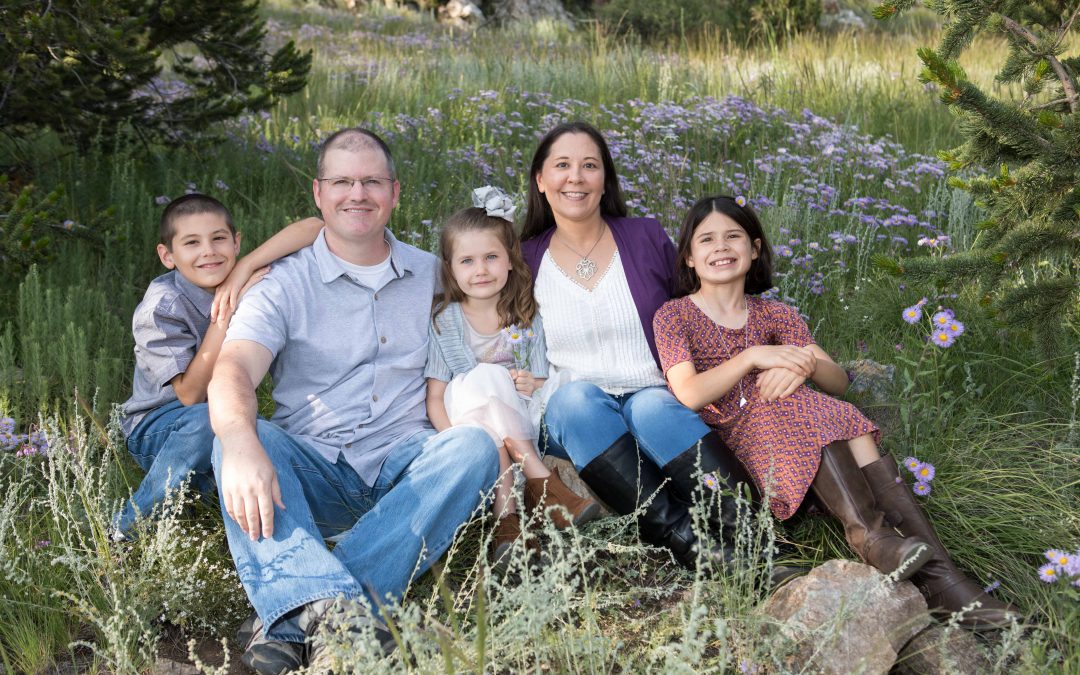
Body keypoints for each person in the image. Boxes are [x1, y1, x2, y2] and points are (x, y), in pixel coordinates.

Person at [208, 127, 499, 673]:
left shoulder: (437, 275)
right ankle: (347, 615)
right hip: (312, 476)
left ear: (394, 192)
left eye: (371, 181)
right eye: (342, 181)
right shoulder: (283, 283)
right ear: (319, 194)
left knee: (472, 449)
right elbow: (233, 369)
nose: (357, 194)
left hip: (406, 476)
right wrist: (242, 442)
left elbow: (504, 310)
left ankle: (298, 613)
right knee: (237, 436)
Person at [652, 194, 1017, 629]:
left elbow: (837, 380)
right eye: (706, 239)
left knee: (821, 405)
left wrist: (803, 362)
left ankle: (932, 572)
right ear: (690, 257)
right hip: (740, 437)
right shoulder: (673, 316)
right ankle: (883, 544)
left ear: (753, 248)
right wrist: (754, 356)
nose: (721, 247)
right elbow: (689, 393)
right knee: (799, 406)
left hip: (799, 423)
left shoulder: (776, 313)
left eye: (733, 236)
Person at [519, 122, 759, 570]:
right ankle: (689, 545)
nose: (576, 177)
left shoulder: (645, 237)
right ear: (540, 180)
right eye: (563, 166)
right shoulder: (525, 256)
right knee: (575, 399)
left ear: (604, 180)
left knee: (649, 407)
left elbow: (697, 305)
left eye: (590, 166)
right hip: (577, 416)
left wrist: (761, 347)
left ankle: (750, 535)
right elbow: (497, 332)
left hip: (654, 396)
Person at [425, 187, 600, 569]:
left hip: (518, 417)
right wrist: (450, 440)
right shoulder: (445, 321)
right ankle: (544, 487)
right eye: (467, 261)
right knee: (485, 377)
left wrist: (530, 384)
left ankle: (507, 528)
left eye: (491, 257)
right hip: (465, 425)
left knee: (498, 402)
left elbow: (538, 381)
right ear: (450, 269)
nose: (481, 269)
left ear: (509, 260)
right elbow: (436, 398)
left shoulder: (524, 314)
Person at [115, 193, 277, 536]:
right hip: (159, 425)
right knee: (210, 423)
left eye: (218, 238)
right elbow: (189, 394)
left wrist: (246, 268)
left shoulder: (244, 278)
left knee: (268, 446)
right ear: (167, 256)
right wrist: (226, 313)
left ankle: (204, 503)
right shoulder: (161, 307)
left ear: (236, 242)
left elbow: (313, 228)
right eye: (192, 242)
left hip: (224, 414)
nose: (209, 251)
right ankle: (126, 530)